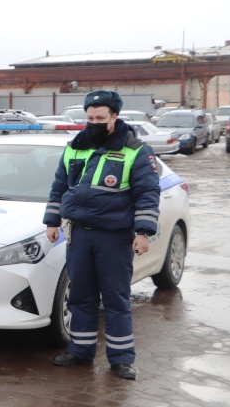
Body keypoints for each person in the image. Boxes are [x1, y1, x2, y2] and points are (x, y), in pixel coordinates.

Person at [44, 90, 160, 380]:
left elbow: (147, 193)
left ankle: (121, 359)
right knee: (80, 297)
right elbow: (59, 186)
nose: (94, 122)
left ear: (115, 117)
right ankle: (80, 352)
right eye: (90, 117)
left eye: (100, 117)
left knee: (115, 299)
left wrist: (144, 232)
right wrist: (52, 221)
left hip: (114, 237)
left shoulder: (136, 150)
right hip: (80, 235)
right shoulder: (75, 147)